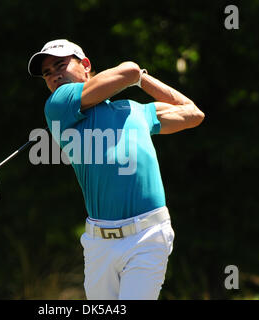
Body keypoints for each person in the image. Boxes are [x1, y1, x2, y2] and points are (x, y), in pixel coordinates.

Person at [28, 39, 205, 300]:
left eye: (60, 65)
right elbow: (128, 71)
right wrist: (135, 76)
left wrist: (143, 80)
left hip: (148, 235)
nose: (54, 76)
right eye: (47, 73)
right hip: (99, 244)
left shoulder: (136, 111)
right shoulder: (58, 105)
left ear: (85, 65)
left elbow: (193, 113)